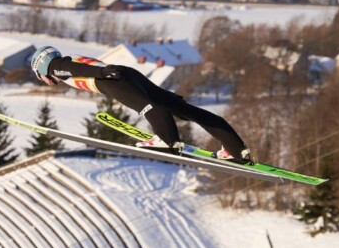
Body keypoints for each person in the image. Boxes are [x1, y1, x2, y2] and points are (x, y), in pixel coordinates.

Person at [30, 46, 254, 163]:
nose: (46, 79)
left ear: (42, 68)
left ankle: (168, 141)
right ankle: (236, 150)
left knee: (147, 107)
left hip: (110, 80)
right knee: (186, 110)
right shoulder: (69, 57)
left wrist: (102, 72)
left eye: (41, 75)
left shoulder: (56, 66)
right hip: (126, 74)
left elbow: (74, 71)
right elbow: (76, 67)